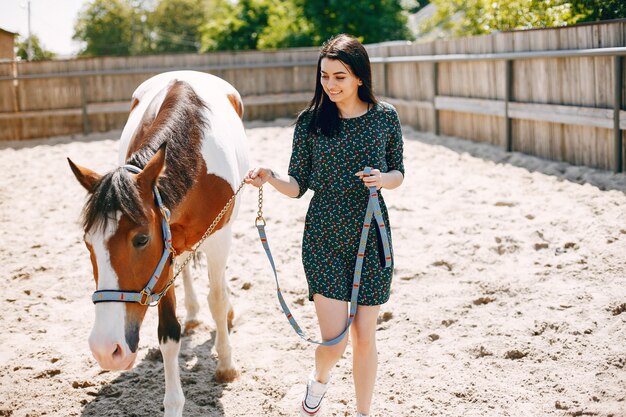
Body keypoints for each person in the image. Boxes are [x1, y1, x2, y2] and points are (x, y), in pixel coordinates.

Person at [245, 33, 404, 417]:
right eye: (325, 76)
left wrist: (382, 179)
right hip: (324, 236)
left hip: (372, 233)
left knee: (365, 337)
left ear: (360, 78)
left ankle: (364, 412)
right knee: (335, 342)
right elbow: (298, 184)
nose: (330, 85)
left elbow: (398, 172)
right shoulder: (310, 123)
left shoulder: (385, 118)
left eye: (340, 77)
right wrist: (270, 176)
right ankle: (319, 380)